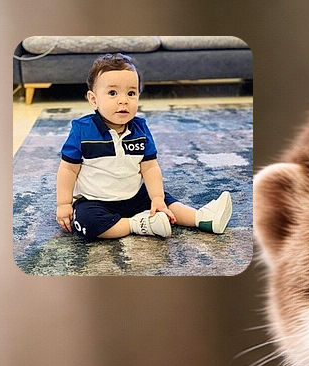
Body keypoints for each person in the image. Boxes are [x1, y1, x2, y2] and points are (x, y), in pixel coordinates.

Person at [55, 52, 232, 241]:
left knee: (163, 199)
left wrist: (157, 199)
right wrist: (64, 203)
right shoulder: (82, 130)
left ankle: (203, 219)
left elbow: (149, 167)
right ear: (93, 100)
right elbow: (68, 169)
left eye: (131, 93)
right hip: (95, 200)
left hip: (133, 196)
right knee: (86, 222)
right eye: (112, 93)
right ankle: (140, 224)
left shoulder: (140, 128)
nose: (123, 100)